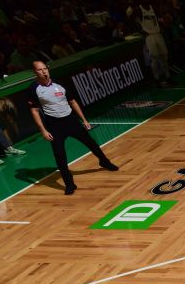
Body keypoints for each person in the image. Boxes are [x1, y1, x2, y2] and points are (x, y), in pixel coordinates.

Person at [26, 60, 119, 195]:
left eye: (45, 68)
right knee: (60, 156)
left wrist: (84, 120)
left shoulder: (60, 83)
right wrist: (43, 130)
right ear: (35, 72)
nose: (44, 71)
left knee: (91, 143)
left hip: (71, 120)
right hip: (54, 125)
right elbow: (34, 111)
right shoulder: (33, 89)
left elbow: (73, 101)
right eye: (40, 70)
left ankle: (105, 162)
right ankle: (69, 184)